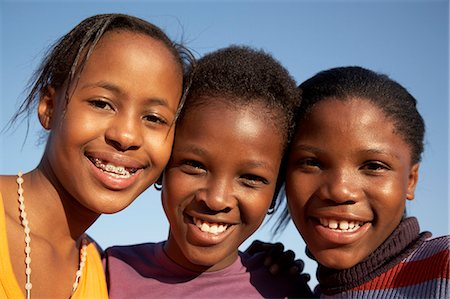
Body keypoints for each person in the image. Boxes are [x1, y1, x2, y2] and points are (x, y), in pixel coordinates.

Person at [0, 13, 194, 299]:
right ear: (48, 106)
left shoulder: (102, 273)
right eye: (102, 104)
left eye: (153, 118)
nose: (126, 136)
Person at [104, 45, 314, 298]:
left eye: (251, 178)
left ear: (275, 192)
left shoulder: (284, 291)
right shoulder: (109, 272)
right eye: (195, 165)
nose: (216, 199)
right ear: (164, 166)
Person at [285, 66, 450, 298]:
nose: (340, 191)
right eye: (312, 163)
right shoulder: (294, 289)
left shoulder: (443, 267)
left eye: (374, 166)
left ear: (411, 181)